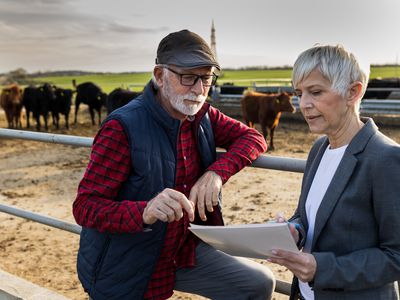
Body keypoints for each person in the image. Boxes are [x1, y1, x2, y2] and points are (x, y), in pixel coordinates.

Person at [72, 29, 275, 300]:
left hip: (182, 250)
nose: (199, 90)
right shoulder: (122, 127)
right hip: (131, 261)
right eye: (188, 78)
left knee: (258, 283)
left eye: (206, 78)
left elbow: (252, 137)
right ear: (159, 76)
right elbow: (85, 206)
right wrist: (145, 210)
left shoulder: (202, 115)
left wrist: (216, 172)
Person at [267, 44, 400, 300]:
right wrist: (295, 230)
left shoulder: (386, 159)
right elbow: (309, 216)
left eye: (315, 92)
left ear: (353, 92)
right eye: (299, 93)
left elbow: (395, 256)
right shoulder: (319, 148)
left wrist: (322, 268)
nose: (304, 104)